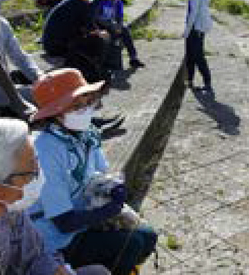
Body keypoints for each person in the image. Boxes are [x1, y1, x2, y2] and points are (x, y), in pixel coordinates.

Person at [27, 68, 157, 274]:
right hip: (56, 238)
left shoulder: (86, 135)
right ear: (55, 114)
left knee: (148, 236)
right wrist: (105, 212)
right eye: (76, 107)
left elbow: (101, 174)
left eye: (88, 103)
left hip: (82, 217)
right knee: (130, 243)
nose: (86, 110)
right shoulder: (44, 151)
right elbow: (63, 221)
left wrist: (113, 189)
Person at [0, 116, 110, 275]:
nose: (38, 177)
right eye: (30, 173)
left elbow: (36, 254)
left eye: (37, 165)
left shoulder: (12, 211)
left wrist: (57, 270)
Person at [42, 0, 111, 83]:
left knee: (95, 38)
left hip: (52, 43)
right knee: (98, 41)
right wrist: (100, 33)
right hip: (57, 46)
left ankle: (89, 69)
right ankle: (90, 73)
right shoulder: (79, 5)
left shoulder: (72, 1)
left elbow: (86, 26)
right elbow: (89, 28)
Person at [0, 0, 43, 112]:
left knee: (52, 87)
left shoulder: (2, 24)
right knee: (41, 96)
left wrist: (40, 76)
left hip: (3, 83)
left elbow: (19, 56)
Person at [93, 0, 144, 69]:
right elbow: (95, 17)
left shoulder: (117, 0)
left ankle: (133, 58)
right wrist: (111, 25)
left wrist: (119, 26)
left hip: (112, 25)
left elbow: (120, 16)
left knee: (125, 30)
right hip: (99, 26)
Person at [180, 0, 213, 92]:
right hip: (198, 28)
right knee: (191, 55)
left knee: (197, 56)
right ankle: (191, 81)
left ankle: (207, 82)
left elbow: (193, 13)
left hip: (195, 29)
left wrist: (186, 31)